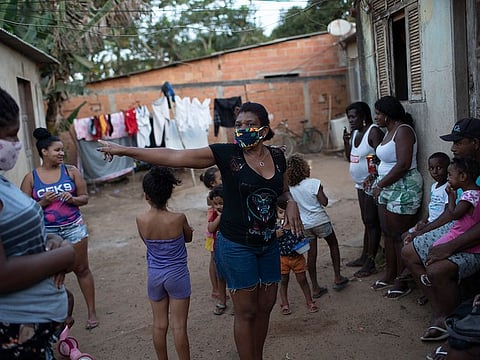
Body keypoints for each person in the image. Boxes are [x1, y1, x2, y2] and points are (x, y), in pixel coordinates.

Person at [97, 101, 303, 360]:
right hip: (237, 245)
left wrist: (291, 202)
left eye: (249, 125)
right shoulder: (227, 155)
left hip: (268, 244)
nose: (242, 130)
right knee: (246, 311)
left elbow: (282, 192)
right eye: (238, 125)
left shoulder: (277, 157)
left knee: (265, 308)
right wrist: (126, 150)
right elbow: (173, 155)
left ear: (263, 130)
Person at [0, 87, 76, 358]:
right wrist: (65, 254)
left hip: (32, 338)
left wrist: (50, 241)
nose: (16, 143)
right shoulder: (29, 178)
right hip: (12, 336)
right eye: (9, 136)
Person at [402, 117, 480, 342]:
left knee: (437, 268)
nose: (453, 148)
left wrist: (449, 247)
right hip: (462, 227)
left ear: (475, 142)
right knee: (408, 250)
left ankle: (450, 318)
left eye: (458, 142)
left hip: (473, 236)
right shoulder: (463, 170)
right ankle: (441, 312)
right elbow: (450, 212)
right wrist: (421, 231)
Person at [20, 128, 98, 330]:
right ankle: (62, 315)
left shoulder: (71, 172)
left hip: (74, 228)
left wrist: (73, 199)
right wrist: (43, 202)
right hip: (47, 233)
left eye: (62, 150)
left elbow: (85, 198)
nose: (62, 153)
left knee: (82, 269)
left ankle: (91, 312)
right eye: (57, 150)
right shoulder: (31, 178)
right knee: (53, 276)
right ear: (44, 152)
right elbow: (25, 211)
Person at [136, 166, 193, 360]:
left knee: (159, 325)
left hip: (155, 275)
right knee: (179, 327)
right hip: (177, 275)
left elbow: (148, 243)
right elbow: (188, 238)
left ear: (146, 196)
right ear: (169, 193)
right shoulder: (178, 218)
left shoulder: (141, 220)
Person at [370, 96, 423, 300]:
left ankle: (403, 281)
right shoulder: (388, 132)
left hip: (404, 187)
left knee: (400, 235)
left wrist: (380, 185)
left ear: (388, 114)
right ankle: (390, 274)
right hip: (387, 188)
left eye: (378, 113)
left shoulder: (404, 131)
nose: (376, 117)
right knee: (388, 233)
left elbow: (403, 164)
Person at [286, 153, 349, 295]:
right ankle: (338, 277)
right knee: (333, 244)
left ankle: (315, 287)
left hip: (305, 226)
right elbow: (324, 202)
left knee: (312, 254)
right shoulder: (314, 183)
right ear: (304, 168)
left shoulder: (290, 190)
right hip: (320, 220)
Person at [420, 157, 480, 286]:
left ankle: (431, 278)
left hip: (459, 233)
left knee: (434, 249)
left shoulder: (468, 196)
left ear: (463, 176)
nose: (448, 178)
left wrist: (451, 197)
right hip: (466, 233)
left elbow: (454, 215)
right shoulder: (476, 192)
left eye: (450, 175)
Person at [343, 101, 384, 277]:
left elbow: (382, 159)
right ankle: (364, 256)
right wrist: (346, 142)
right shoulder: (355, 133)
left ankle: (371, 262)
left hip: (372, 184)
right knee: (366, 221)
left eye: (354, 117)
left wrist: (373, 177)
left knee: (372, 222)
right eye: (349, 117)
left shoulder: (373, 132)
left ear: (364, 117)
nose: (351, 120)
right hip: (360, 184)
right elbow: (350, 158)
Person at [276, 207, 318, 315]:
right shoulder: (277, 229)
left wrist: (304, 241)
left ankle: (309, 301)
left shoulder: (297, 226)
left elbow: (303, 239)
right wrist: (275, 235)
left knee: (303, 280)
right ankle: (284, 303)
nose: (285, 215)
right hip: (283, 259)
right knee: (283, 281)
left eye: (287, 211)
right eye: (281, 212)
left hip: (297, 258)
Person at [200, 166, 222, 300]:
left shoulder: (219, 192)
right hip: (214, 233)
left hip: (218, 231)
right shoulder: (212, 197)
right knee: (214, 260)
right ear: (213, 183)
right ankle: (215, 289)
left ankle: (217, 288)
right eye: (220, 178)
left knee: (215, 260)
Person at [207, 185, 228, 315]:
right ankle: (222, 301)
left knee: (232, 277)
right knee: (221, 276)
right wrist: (220, 217)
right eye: (216, 204)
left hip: (231, 249)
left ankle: (238, 303)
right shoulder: (215, 214)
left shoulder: (233, 213)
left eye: (221, 203)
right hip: (219, 250)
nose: (218, 206)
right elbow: (210, 228)